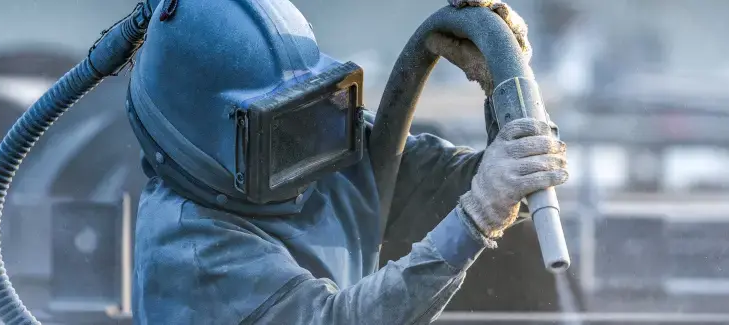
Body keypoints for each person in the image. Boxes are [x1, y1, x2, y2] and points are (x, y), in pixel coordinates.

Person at [126, 0, 569, 324]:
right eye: (276, 131)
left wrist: (506, 89)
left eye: (311, 106)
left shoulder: (310, 136)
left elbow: (502, 188)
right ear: (204, 145)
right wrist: (477, 216)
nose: (305, 145)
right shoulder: (191, 251)